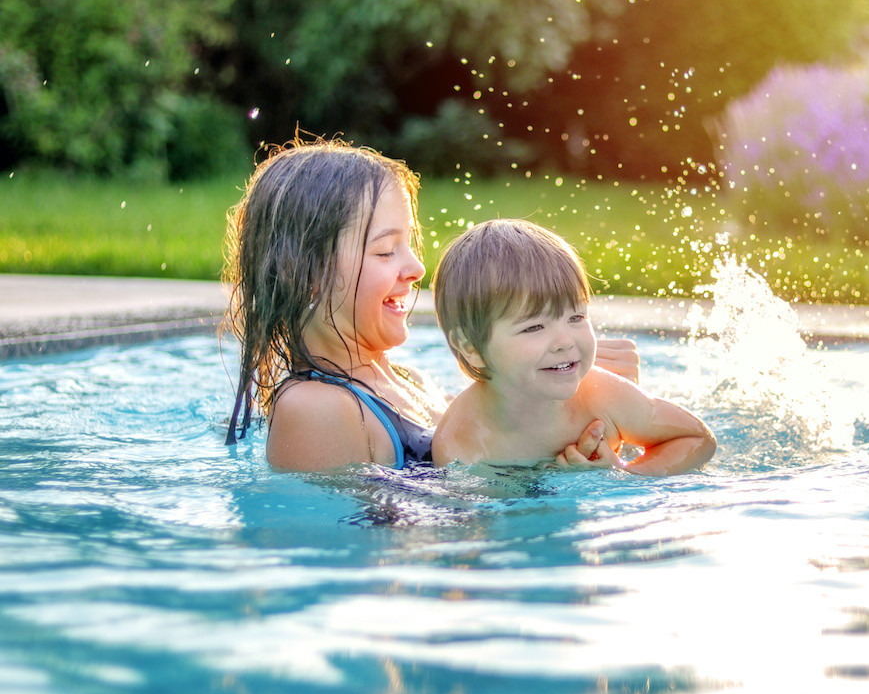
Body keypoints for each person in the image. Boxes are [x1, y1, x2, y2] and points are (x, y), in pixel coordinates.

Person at [222, 137, 640, 472]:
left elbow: (481, 467)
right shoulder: (314, 410)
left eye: (408, 244)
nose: (417, 267)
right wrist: (547, 479)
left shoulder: (411, 380)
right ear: (304, 274)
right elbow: (367, 553)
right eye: (386, 251)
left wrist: (576, 406)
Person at [431, 219, 716, 476]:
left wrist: (625, 472)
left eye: (576, 317)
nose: (566, 341)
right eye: (533, 327)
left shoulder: (602, 398)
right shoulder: (461, 442)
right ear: (471, 347)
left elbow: (698, 439)